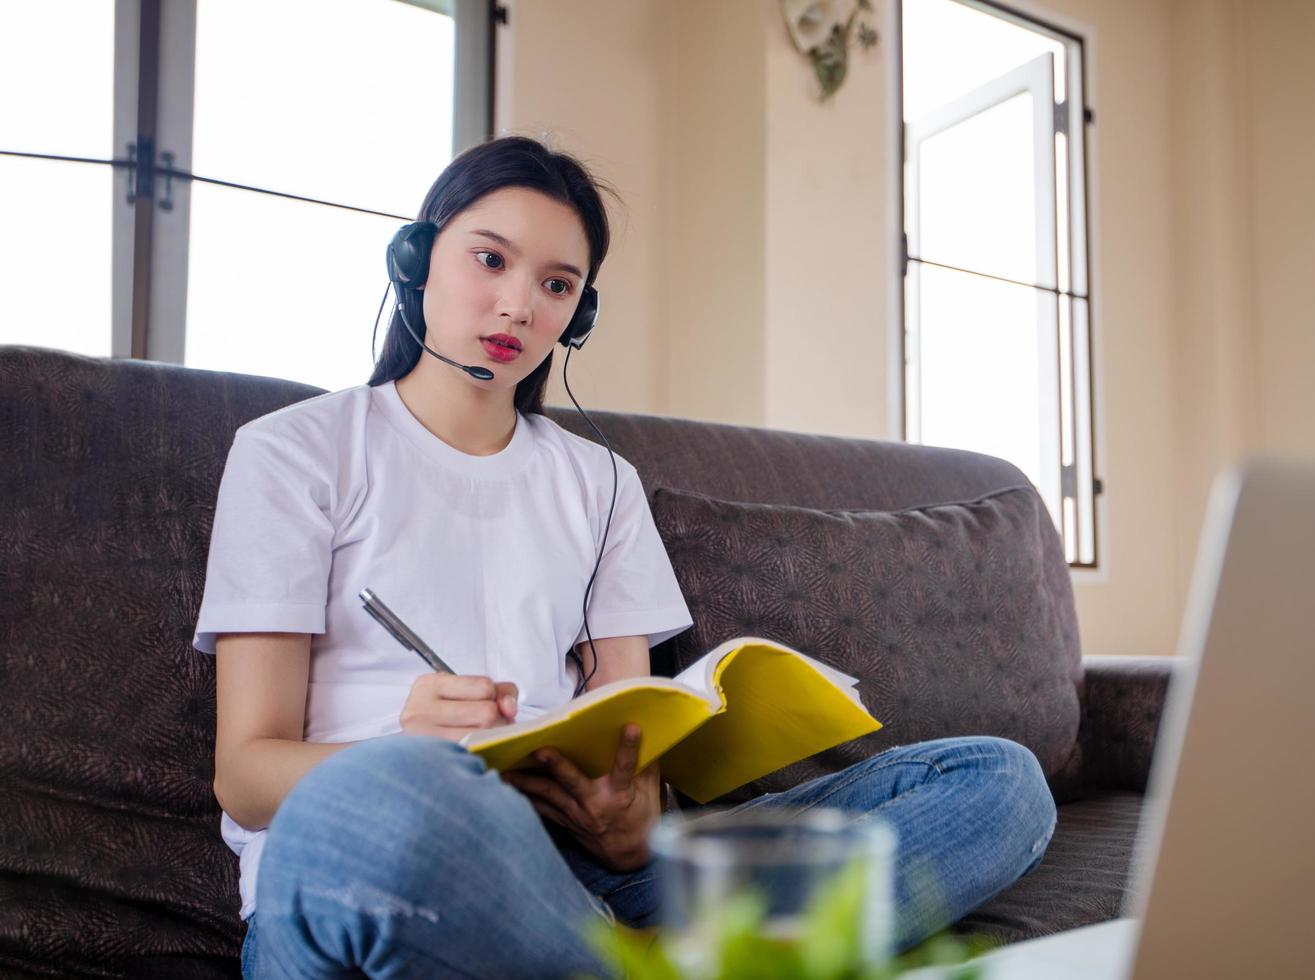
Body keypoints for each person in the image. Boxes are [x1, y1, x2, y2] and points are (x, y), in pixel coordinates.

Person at [194, 135, 1057, 979]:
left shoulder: (601, 482)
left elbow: (626, 721)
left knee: (997, 782)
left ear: (579, 314)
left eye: (557, 285)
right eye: (489, 260)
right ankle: (678, 961)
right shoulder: (294, 453)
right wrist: (408, 760)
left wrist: (631, 818)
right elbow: (246, 774)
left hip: (587, 874)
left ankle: (621, 953)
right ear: (416, 257)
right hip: (366, 864)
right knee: (397, 796)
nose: (519, 307)